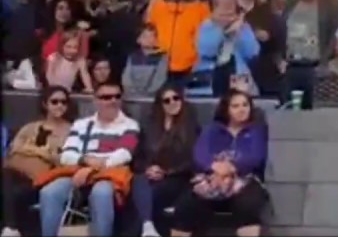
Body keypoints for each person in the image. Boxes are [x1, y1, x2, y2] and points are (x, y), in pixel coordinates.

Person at [37, 80, 141, 237]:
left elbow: (124, 155)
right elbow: (66, 155)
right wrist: (84, 162)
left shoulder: (130, 125)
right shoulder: (81, 124)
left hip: (109, 175)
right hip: (77, 172)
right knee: (49, 192)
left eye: (116, 97)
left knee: (101, 193)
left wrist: (91, 169)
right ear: (96, 100)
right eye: (106, 97)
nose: (112, 101)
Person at [170, 89, 269, 237]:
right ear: (226, 109)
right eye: (235, 106)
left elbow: (256, 156)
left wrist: (231, 168)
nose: (242, 109)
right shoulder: (212, 130)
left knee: (248, 205)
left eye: (245, 105)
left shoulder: (256, 131)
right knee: (185, 206)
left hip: (245, 180)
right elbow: (199, 154)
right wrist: (213, 167)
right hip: (211, 179)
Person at [2, 86, 75, 237]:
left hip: (40, 179)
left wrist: (29, 148)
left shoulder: (72, 131)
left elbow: (63, 159)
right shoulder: (30, 127)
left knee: (11, 190)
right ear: (45, 104)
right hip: (14, 171)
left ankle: (11, 227)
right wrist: (43, 152)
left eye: (63, 102)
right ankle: (11, 229)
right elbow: (15, 148)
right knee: (6, 180)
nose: (60, 105)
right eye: (54, 102)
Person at [133, 87, 200, 237]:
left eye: (176, 98)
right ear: (160, 104)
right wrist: (148, 168)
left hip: (178, 177)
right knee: (139, 181)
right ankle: (148, 227)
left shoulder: (190, 125)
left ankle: (146, 228)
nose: (172, 103)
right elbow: (138, 156)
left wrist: (166, 172)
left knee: (148, 196)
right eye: (167, 100)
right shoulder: (150, 126)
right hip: (150, 176)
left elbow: (193, 160)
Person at [146, 0, 212, 83]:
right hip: (160, 64)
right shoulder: (158, 5)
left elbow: (207, 35)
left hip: (190, 65)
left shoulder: (201, 6)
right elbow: (150, 30)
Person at [191, 0, 261, 97]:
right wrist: (223, 32)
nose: (226, 18)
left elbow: (252, 52)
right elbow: (206, 51)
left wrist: (240, 32)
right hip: (208, 79)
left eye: (230, 14)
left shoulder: (243, 26)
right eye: (222, 14)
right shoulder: (207, 26)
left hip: (237, 78)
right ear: (214, 10)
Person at [122, 24, 171, 99]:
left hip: (152, 98)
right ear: (138, 40)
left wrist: (148, 94)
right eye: (145, 36)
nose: (148, 39)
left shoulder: (162, 57)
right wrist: (132, 92)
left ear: (156, 40)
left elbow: (159, 79)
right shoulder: (132, 57)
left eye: (151, 36)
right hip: (132, 97)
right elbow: (126, 78)